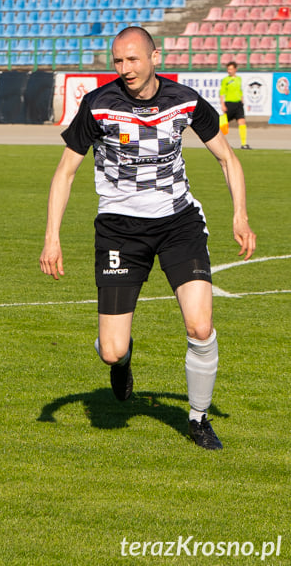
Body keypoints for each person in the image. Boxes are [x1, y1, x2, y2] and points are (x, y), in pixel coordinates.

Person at [40, 27, 256, 451]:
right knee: (111, 350)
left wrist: (240, 214)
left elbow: (227, 158)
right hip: (120, 228)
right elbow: (65, 173)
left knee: (200, 325)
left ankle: (197, 419)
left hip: (179, 223)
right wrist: (52, 237)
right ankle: (123, 362)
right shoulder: (99, 104)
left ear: (155, 56)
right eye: (118, 62)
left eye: (133, 60)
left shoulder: (186, 100)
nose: (125, 69)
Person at [219, 61, 250, 149]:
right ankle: (222, 143)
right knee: (223, 125)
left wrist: (242, 99)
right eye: (228, 69)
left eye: (231, 69)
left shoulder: (239, 78)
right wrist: (223, 104)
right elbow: (222, 93)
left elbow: (239, 90)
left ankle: (244, 144)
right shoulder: (226, 80)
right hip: (229, 104)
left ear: (235, 69)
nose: (229, 71)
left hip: (238, 104)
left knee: (242, 122)